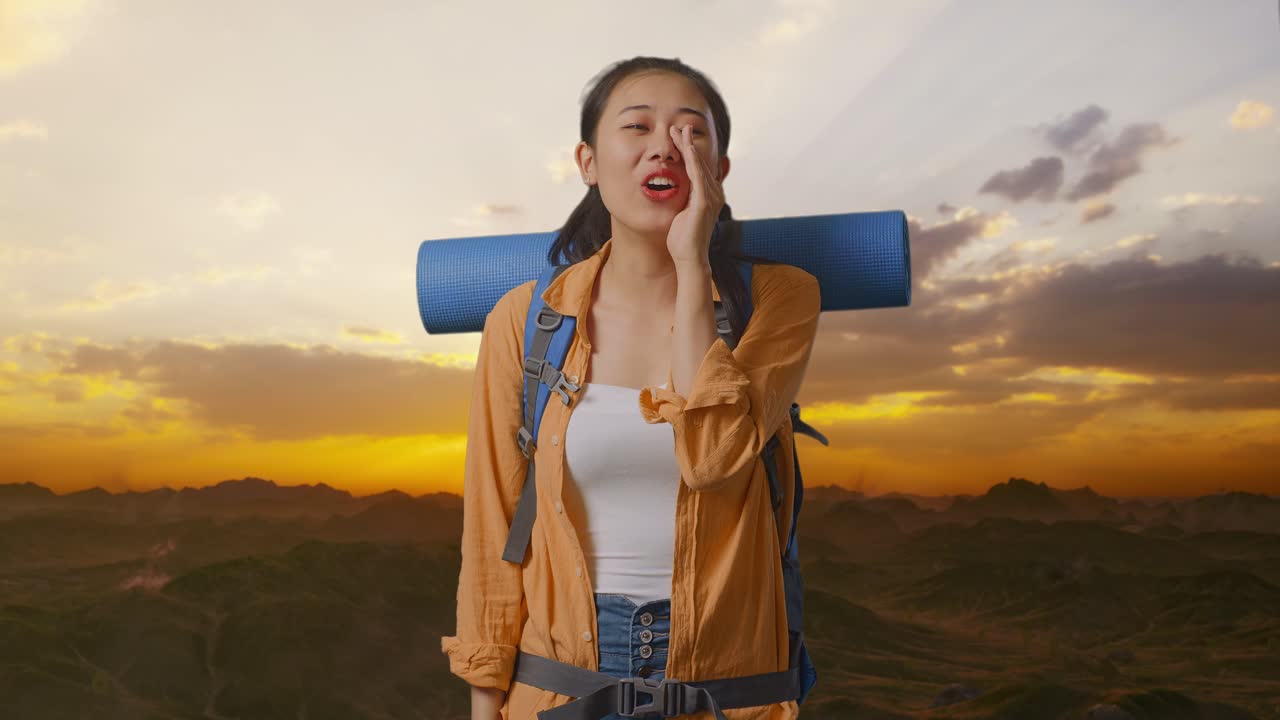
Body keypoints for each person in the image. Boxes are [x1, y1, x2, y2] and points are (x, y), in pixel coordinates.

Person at [441, 55, 822, 720]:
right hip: (556, 685)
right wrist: (483, 697)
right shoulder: (525, 321)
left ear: (720, 172)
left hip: (733, 694)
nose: (664, 147)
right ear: (588, 162)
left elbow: (712, 458)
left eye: (690, 132)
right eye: (637, 126)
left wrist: (690, 261)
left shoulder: (779, 299)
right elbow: (492, 521)